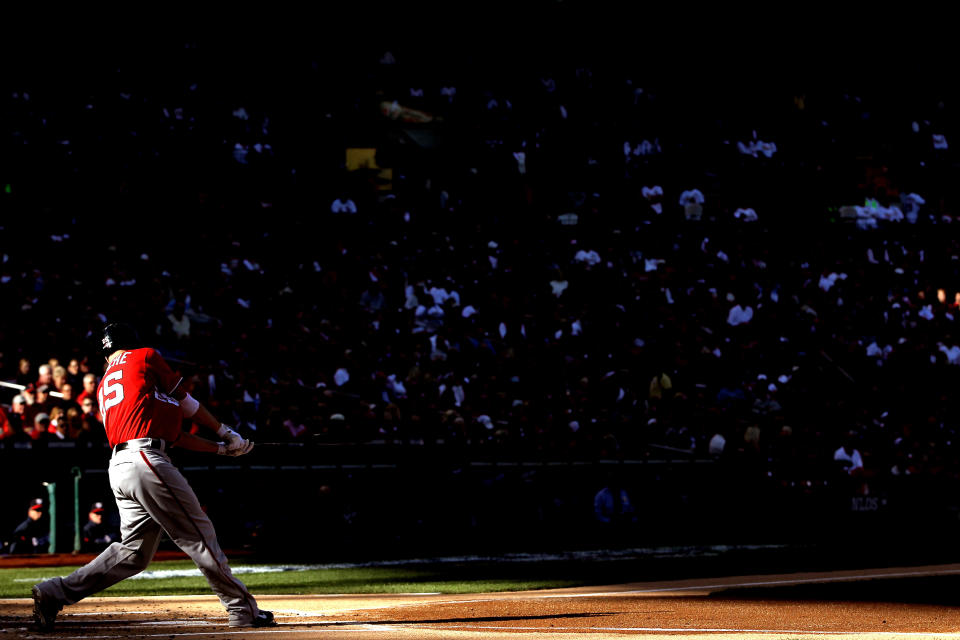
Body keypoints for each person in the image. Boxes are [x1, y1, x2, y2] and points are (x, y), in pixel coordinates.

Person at [31, 323, 276, 630]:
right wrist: (226, 432)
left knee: (134, 552)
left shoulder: (107, 384)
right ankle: (242, 608)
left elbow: (173, 433)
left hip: (120, 466)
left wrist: (222, 449)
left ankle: (55, 592)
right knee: (199, 535)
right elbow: (187, 404)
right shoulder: (144, 357)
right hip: (146, 459)